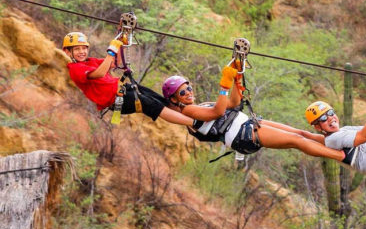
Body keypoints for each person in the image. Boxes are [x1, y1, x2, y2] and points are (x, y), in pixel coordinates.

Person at [162, 61, 346, 161]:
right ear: (174, 99)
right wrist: (224, 84)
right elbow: (217, 112)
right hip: (243, 134)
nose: (189, 92)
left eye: (189, 88)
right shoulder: (187, 112)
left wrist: (236, 78)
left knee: (299, 133)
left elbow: (233, 103)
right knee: (297, 140)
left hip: (248, 125)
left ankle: (336, 142)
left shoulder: (200, 106)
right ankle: (339, 155)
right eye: (183, 92)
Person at [62, 31, 193, 126]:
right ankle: (193, 123)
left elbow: (116, 63)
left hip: (123, 89)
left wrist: (121, 44)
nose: (82, 52)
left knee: (157, 98)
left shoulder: (91, 61)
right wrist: (111, 51)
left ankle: (192, 113)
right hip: (116, 100)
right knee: (150, 104)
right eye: (77, 49)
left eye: (84, 48)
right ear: (68, 52)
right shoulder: (75, 69)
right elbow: (100, 73)